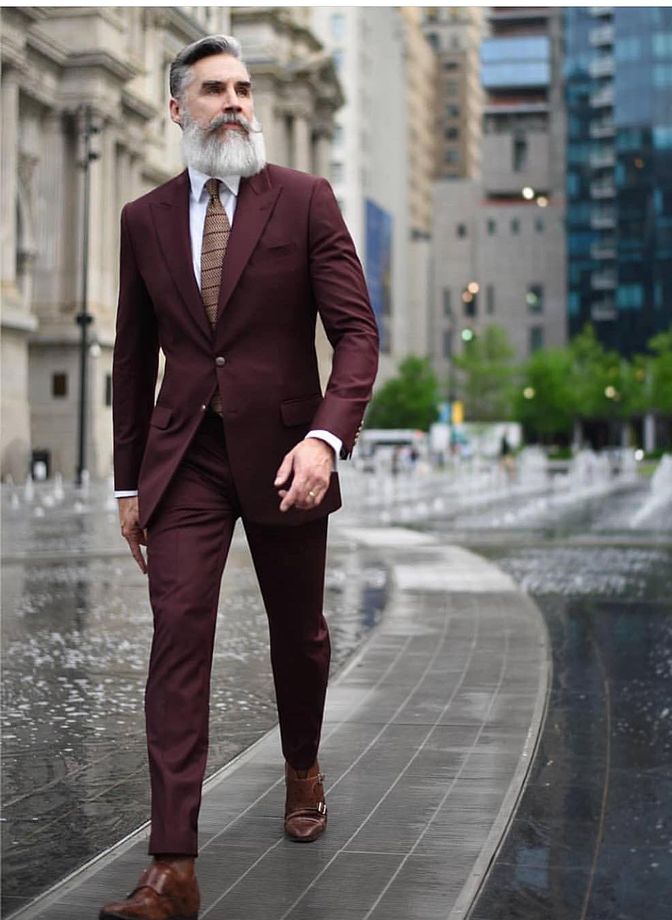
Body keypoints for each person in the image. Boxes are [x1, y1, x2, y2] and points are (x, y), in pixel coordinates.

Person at [101, 34, 378, 920]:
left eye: (244, 89)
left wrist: (326, 441)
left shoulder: (304, 201)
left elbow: (356, 336)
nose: (235, 103)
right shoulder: (143, 219)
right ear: (176, 107)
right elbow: (133, 357)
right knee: (178, 635)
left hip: (288, 454)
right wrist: (126, 484)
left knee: (299, 633)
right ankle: (172, 865)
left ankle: (302, 765)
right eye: (215, 90)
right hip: (185, 461)